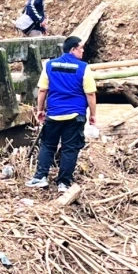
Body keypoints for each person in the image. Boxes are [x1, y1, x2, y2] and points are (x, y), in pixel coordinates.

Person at [27, 35, 97, 192]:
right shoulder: (83, 68)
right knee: (70, 148)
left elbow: (43, 89)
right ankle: (63, 183)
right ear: (73, 50)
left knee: (48, 144)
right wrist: (93, 114)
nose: (83, 51)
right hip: (75, 115)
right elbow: (90, 94)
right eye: (81, 48)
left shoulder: (49, 65)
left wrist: (40, 110)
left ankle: (40, 177)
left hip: (54, 113)